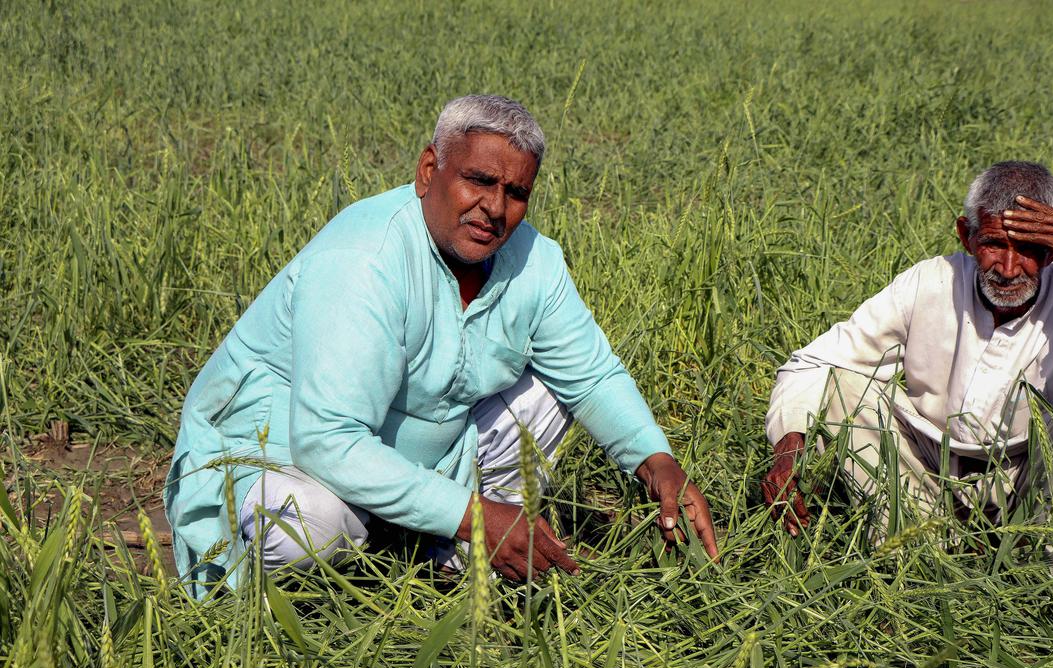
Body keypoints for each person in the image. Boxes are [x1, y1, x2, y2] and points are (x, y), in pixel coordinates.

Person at [166, 94, 718, 596]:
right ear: (429, 170)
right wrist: (474, 514)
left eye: (516, 192)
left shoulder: (534, 261)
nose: (495, 209)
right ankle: (282, 596)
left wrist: (655, 461)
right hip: (282, 456)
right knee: (301, 524)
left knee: (556, 391)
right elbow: (326, 442)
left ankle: (452, 555)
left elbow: (592, 376)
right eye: (477, 180)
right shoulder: (366, 259)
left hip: (428, 455)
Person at [761, 161, 1053, 559]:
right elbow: (816, 362)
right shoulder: (930, 282)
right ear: (967, 236)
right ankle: (915, 552)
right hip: (933, 465)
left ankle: (1048, 575)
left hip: (1032, 472)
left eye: (1029, 249)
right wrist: (789, 447)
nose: (1009, 268)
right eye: (994, 244)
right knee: (842, 388)